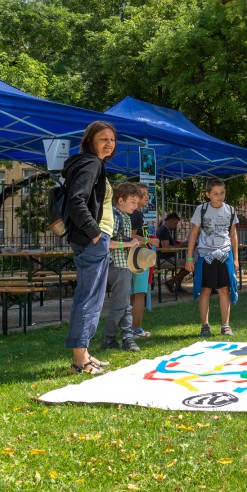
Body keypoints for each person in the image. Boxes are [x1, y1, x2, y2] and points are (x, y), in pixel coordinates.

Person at [62, 121, 116, 375]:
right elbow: (76, 200)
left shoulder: (90, 163)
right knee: (89, 299)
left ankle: (84, 353)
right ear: (90, 141)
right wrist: (95, 233)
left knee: (90, 297)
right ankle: (80, 360)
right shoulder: (92, 163)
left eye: (112, 139)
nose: (108, 143)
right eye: (103, 138)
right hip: (93, 240)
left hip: (90, 239)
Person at [185, 178, 240, 337]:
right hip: (205, 255)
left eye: (222, 193)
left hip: (225, 254)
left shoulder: (230, 210)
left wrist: (235, 258)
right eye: (215, 193)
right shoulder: (201, 210)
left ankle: (226, 325)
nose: (219, 196)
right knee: (205, 289)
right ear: (208, 194)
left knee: (224, 289)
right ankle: (205, 325)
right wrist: (189, 257)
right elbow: (194, 234)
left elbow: (234, 235)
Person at [101, 182, 142, 353]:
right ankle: (109, 337)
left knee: (125, 305)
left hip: (124, 265)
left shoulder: (124, 216)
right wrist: (128, 244)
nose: (136, 205)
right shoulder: (114, 217)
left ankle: (126, 338)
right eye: (133, 201)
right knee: (121, 305)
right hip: (116, 266)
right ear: (120, 200)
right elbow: (106, 243)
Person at [129, 183, 154, 338]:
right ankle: (136, 329)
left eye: (147, 194)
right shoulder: (136, 215)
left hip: (134, 256)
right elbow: (132, 236)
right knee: (139, 293)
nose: (146, 197)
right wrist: (150, 241)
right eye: (143, 194)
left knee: (134, 293)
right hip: (139, 257)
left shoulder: (134, 214)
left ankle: (130, 327)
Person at [157, 212, 188, 293]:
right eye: (175, 223)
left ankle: (176, 285)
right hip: (165, 259)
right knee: (189, 264)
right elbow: (165, 247)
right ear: (171, 220)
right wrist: (180, 247)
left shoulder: (162, 228)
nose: (175, 226)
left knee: (187, 263)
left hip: (165, 258)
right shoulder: (164, 230)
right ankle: (171, 282)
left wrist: (178, 244)